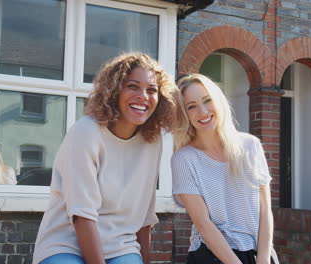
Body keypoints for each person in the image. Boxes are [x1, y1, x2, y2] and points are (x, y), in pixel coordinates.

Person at [33, 53, 177, 264]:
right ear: (114, 90)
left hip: (121, 246)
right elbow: (82, 216)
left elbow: (144, 215)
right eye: (133, 86)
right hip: (66, 243)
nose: (143, 96)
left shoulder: (152, 141)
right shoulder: (86, 132)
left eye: (152, 90)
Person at [171, 74, 274, 264]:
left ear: (218, 101)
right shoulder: (184, 159)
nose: (202, 111)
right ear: (184, 114)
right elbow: (203, 223)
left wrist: (264, 258)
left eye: (207, 100)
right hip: (213, 255)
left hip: (258, 254)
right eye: (191, 106)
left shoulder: (251, 146)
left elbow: (265, 209)